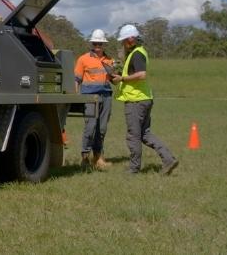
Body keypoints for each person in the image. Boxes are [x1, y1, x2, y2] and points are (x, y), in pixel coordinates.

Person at [111, 24, 179, 175]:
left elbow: (142, 74)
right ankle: (168, 159)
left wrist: (122, 78)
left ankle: (134, 169)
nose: (123, 44)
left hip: (136, 101)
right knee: (145, 134)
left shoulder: (137, 54)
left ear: (131, 39)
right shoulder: (137, 53)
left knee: (133, 135)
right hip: (144, 98)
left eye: (124, 41)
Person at [75, 29, 115, 170]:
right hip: (89, 97)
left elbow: (114, 81)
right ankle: (85, 157)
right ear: (92, 43)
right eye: (95, 43)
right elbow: (77, 80)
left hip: (106, 96)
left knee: (102, 129)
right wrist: (77, 97)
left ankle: (98, 158)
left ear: (103, 44)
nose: (97, 45)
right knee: (90, 127)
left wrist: (117, 73)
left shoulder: (109, 60)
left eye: (100, 43)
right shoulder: (83, 59)